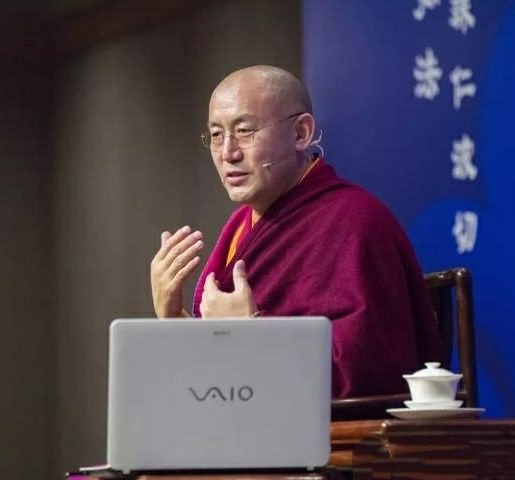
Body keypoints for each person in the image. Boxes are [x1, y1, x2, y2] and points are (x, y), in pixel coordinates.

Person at [149, 65, 442, 398]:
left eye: (244, 131)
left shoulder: (356, 222)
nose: (228, 153)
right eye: (216, 135)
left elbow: (370, 367)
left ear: (301, 133)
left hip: (327, 429)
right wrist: (174, 320)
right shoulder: (240, 226)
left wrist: (252, 332)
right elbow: (219, 375)